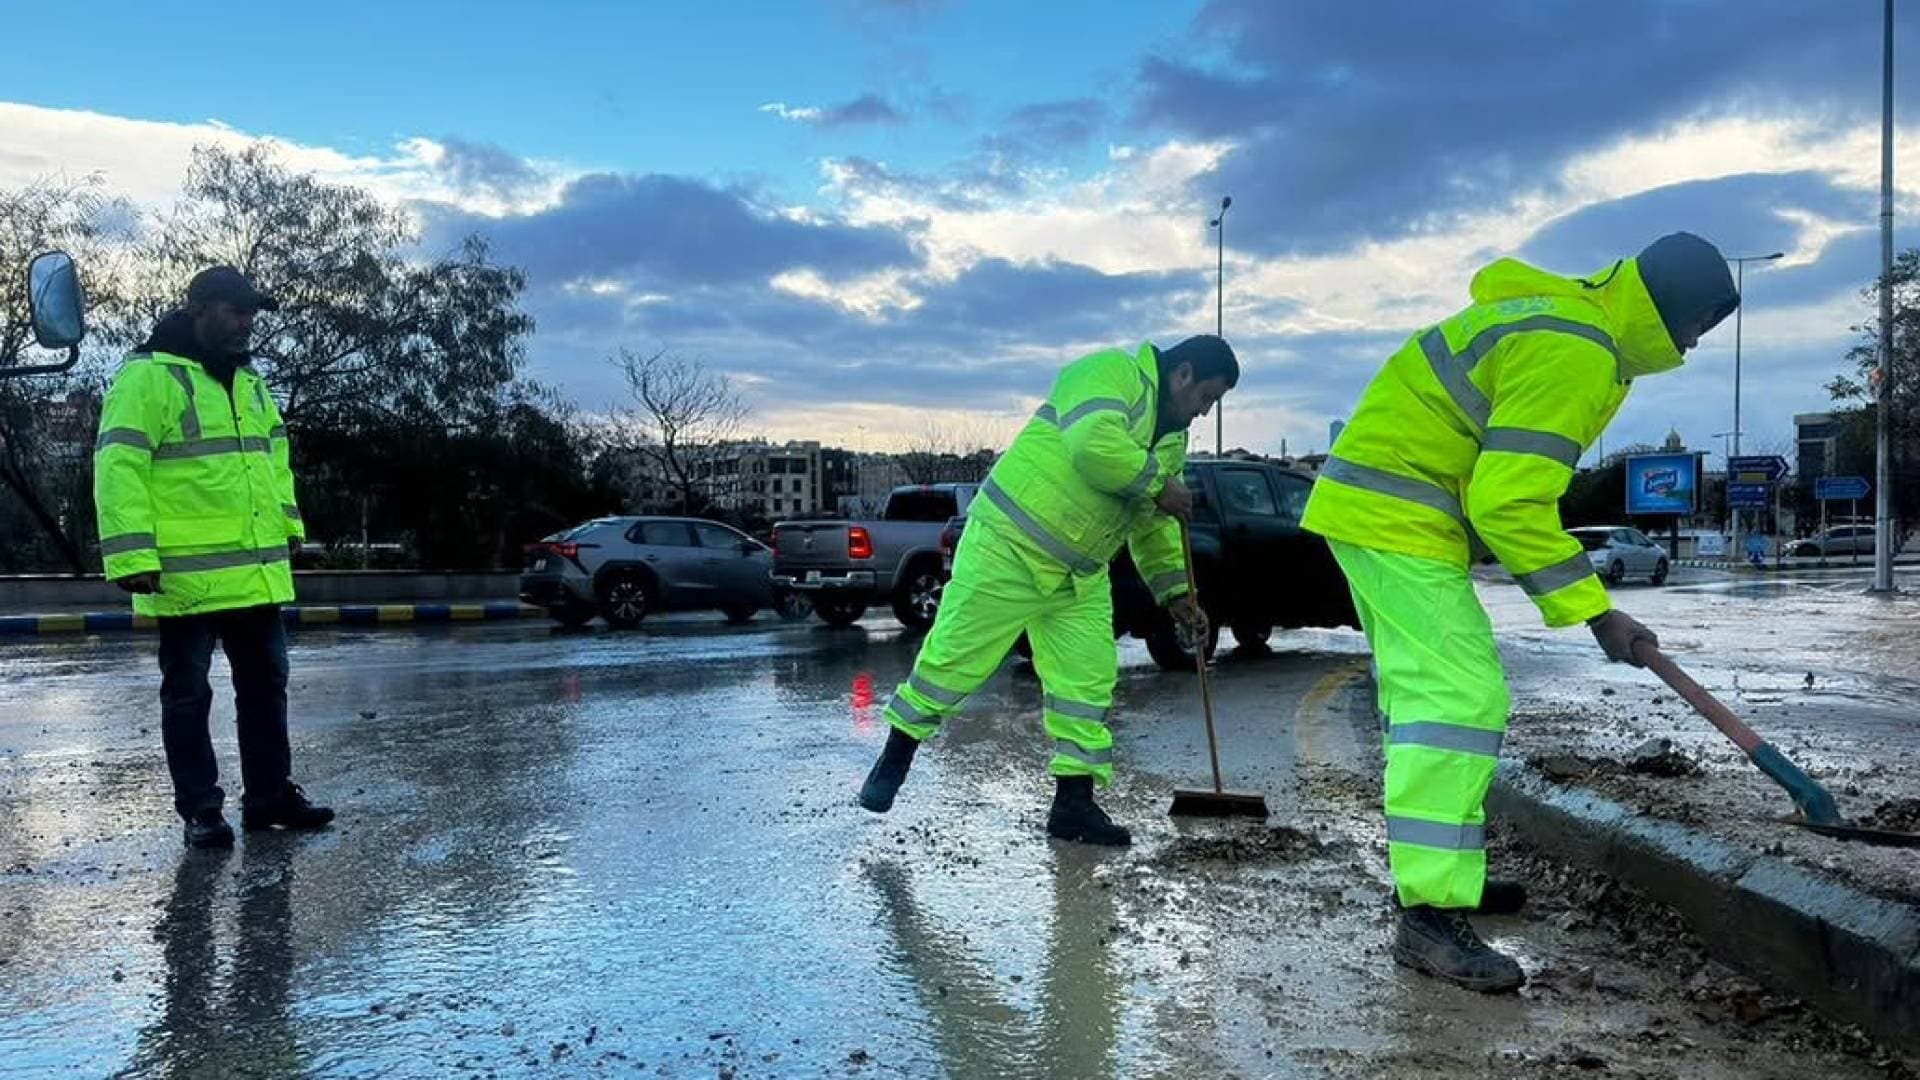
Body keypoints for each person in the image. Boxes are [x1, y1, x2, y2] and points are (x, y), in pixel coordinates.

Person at [1302, 233, 1739, 991]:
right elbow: (1508, 499)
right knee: (1458, 701)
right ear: (1669, 307)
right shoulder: (1580, 347)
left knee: (1432, 705)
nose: (1696, 345)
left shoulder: (1569, 325)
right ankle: (1429, 916)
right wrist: (1598, 613)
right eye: (1699, 323)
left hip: (1386, 510)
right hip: (1394, 514)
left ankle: (1444, 883)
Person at [857, 335, 1237, 846]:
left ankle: (1073, 805)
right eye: (1205, 399)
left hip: (1078, 574)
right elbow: (1093, 445)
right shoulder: (1111, 373)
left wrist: (1177, 592)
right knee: (954, 658)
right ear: (1183, 374)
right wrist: (1157, 483)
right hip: (1008, 546)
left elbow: (1151, 524)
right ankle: (896, 756)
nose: (1202, 413)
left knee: (1086, 685)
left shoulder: (1171, 441)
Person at [93, 266, 334, 849]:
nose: (246, 323)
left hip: (254, 572)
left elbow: (273, 456)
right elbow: (119, 465)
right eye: (233, 310)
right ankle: (202, 810)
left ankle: (269, 799)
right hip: (184, 575)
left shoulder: (249, 381)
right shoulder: (148, 377)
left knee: (266, 685)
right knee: (188, 692)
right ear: (197, 308)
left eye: (251, 312)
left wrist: (289, 524)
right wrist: (131, 556)